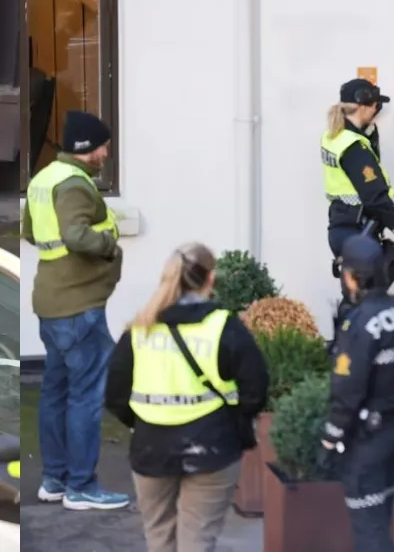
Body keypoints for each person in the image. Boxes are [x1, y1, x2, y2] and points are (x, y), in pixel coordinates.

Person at [105, 244, 269, 552]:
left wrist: (140, 422)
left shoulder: (140, 328)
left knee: (159, 537)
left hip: (150, 447)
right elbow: (255, 387)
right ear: (211, 278)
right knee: (198, 541)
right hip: (212, 448)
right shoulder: (223, 326)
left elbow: (115, 394)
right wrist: (235, 420)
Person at [21, 110, 130, 510]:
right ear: (89, 148)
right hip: (79, 306)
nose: (106, 153)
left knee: (55, 392)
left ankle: (54, 480)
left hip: (51, 302)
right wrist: (108, 244)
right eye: (104, 146)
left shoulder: (43, 178)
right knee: (85, 396)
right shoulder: (74, 184)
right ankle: (81, 486)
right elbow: (75, 235)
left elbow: (30, 232)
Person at [320, 234, 394, 552]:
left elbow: (347, 391)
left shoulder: (359, 325)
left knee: (369, 529)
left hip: (370, 441)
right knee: (382, 514)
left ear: (351, 276)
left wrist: (329, 439)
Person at [322, 78, 394, 284]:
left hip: (342, 227)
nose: (375, 110)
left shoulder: (334, 136)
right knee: (371, 292)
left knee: (356, 293)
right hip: (358, 230)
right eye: (374, 105)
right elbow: (375, 196)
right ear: (362, 106)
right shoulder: (354, 147)